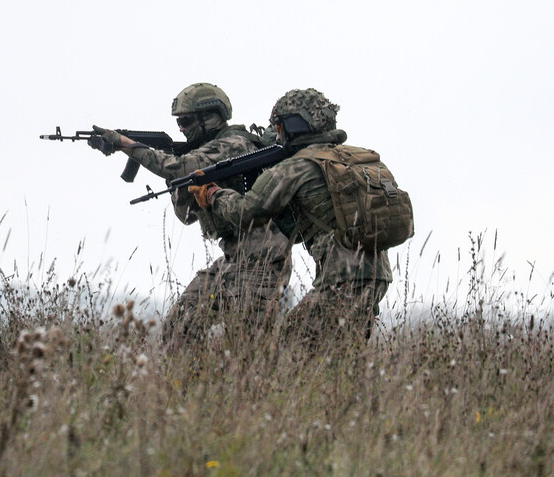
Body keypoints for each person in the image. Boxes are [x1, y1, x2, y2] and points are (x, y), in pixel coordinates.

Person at [187, 88, 394, 350]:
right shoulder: (355, 159)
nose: (276, 133)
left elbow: (245, 212)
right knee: (339, 358)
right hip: (378, 277)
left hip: (340, 282)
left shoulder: (297, 167)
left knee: (290, 353)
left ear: (292, 126)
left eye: (278, 126)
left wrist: (214, 194)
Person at [91, 83, 292, 348]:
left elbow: (179, 166)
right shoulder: (203, 155)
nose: (181, 129)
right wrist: (180, 184)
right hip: (234, 259)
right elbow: (186, 216)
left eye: (186, 121)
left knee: (248, 348)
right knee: (179, 327)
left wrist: (126, 145)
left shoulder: (234, 144)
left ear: (210, 117)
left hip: (262, 263)